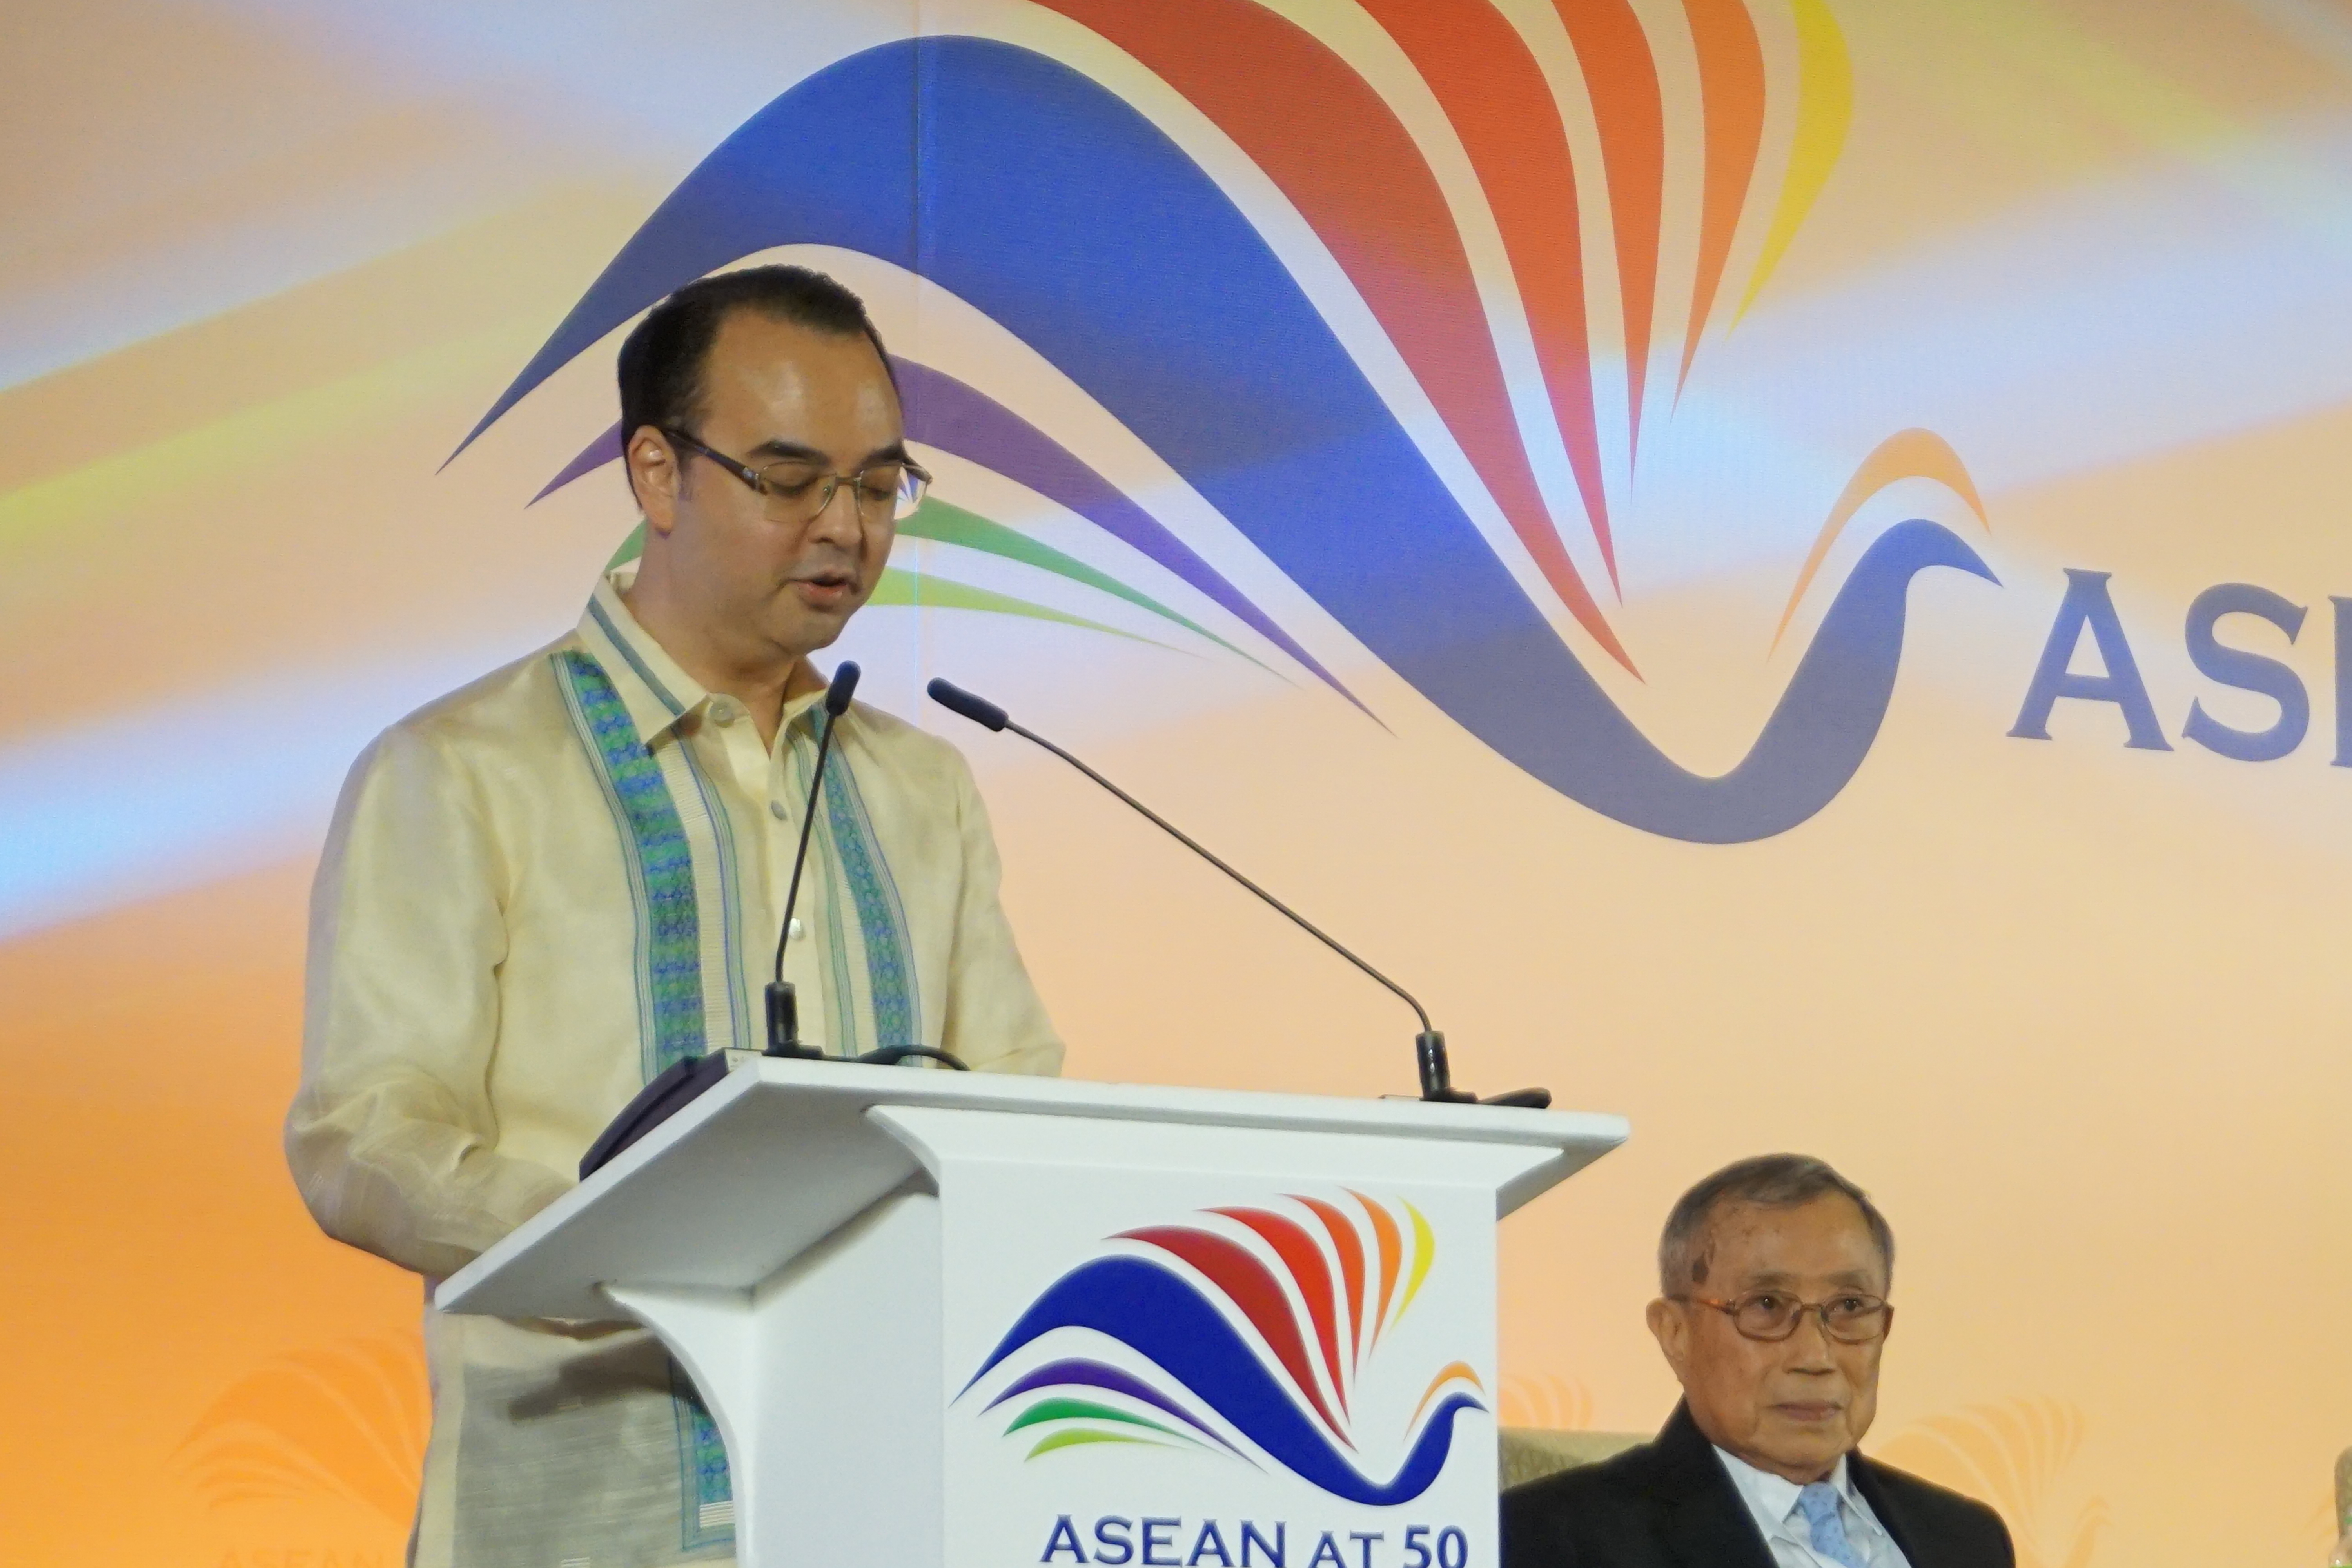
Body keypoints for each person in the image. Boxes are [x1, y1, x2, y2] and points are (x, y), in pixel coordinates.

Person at [286, 265, 1063, 1568]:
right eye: (790, 479)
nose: (845, 528)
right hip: (585, 1519)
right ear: (656, 474)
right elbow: (364, 1134)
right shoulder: (463, 769)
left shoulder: (921, 786)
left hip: (894, 1510)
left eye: (879, 487)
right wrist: (630, 1242)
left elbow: (1020, 1109)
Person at [1502, 1155, 2013, 1568]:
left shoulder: (1965, 1538)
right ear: (1675, 1334)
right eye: (1767, 1306)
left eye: (1849, 1307)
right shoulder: (1553, 1538)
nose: (1815, 1356)